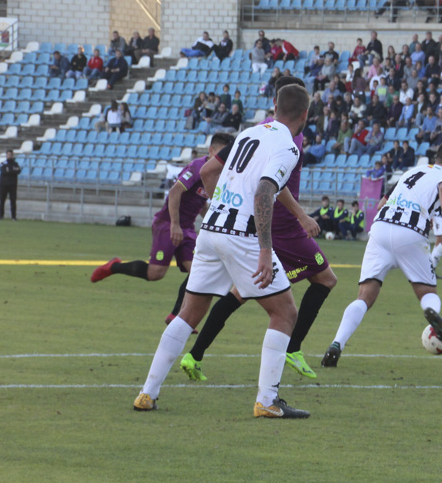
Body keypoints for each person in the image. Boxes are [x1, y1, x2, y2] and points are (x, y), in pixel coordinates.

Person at [131, 83, 312, 418]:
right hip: (242, 236)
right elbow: (263, 193)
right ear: (305, 115)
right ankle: (267, 401)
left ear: (274, 106)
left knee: (188, 313)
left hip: (210, 230)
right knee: (285, 313)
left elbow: (207, 171)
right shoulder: (288, 147)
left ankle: (147, 393)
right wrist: (263, 249)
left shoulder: (246, 134)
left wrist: (219, 205)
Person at [179, 78, 338, 382]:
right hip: (278, 222)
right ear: (301, 110)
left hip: (248, 220)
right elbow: (271, 187)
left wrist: (221, 203)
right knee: (324, 279)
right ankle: (291, 350)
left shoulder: (258, 129)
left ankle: (194, 354)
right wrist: (301, 215)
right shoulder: (288, 136)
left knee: (245, 290)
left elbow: (213, 170)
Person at [321, 142, 442, 367]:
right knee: (427, 291)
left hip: (381, 227)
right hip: (410, 230)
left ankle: (336, 343)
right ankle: (431, 312)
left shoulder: (413, 171)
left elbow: (383, 200)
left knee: (364, 296)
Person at [91, 134, 236, 320]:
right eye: (221, 153)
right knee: (155, 274)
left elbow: (199, 201)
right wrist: (174, 224)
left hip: (187, 227)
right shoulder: (197, 167)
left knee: (198, 271)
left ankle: (176, 315)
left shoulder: (218, 173)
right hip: (168, 224)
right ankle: (114, 266)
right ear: (211, 151)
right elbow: (176, 191)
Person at [0, 149, 20, 220]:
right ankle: (1, 216)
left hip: (13, 185)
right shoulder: (3, 163)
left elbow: (18, 170)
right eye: (8, 155)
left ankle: (13, 217)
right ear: (6, 155)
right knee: (2, 201)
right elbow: (4, 171)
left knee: (13, 201)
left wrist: (10, 170)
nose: (9, 156)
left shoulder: (15, 164)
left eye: (10, 155)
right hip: (3, 185)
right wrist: (13, 171)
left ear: (12, 155)